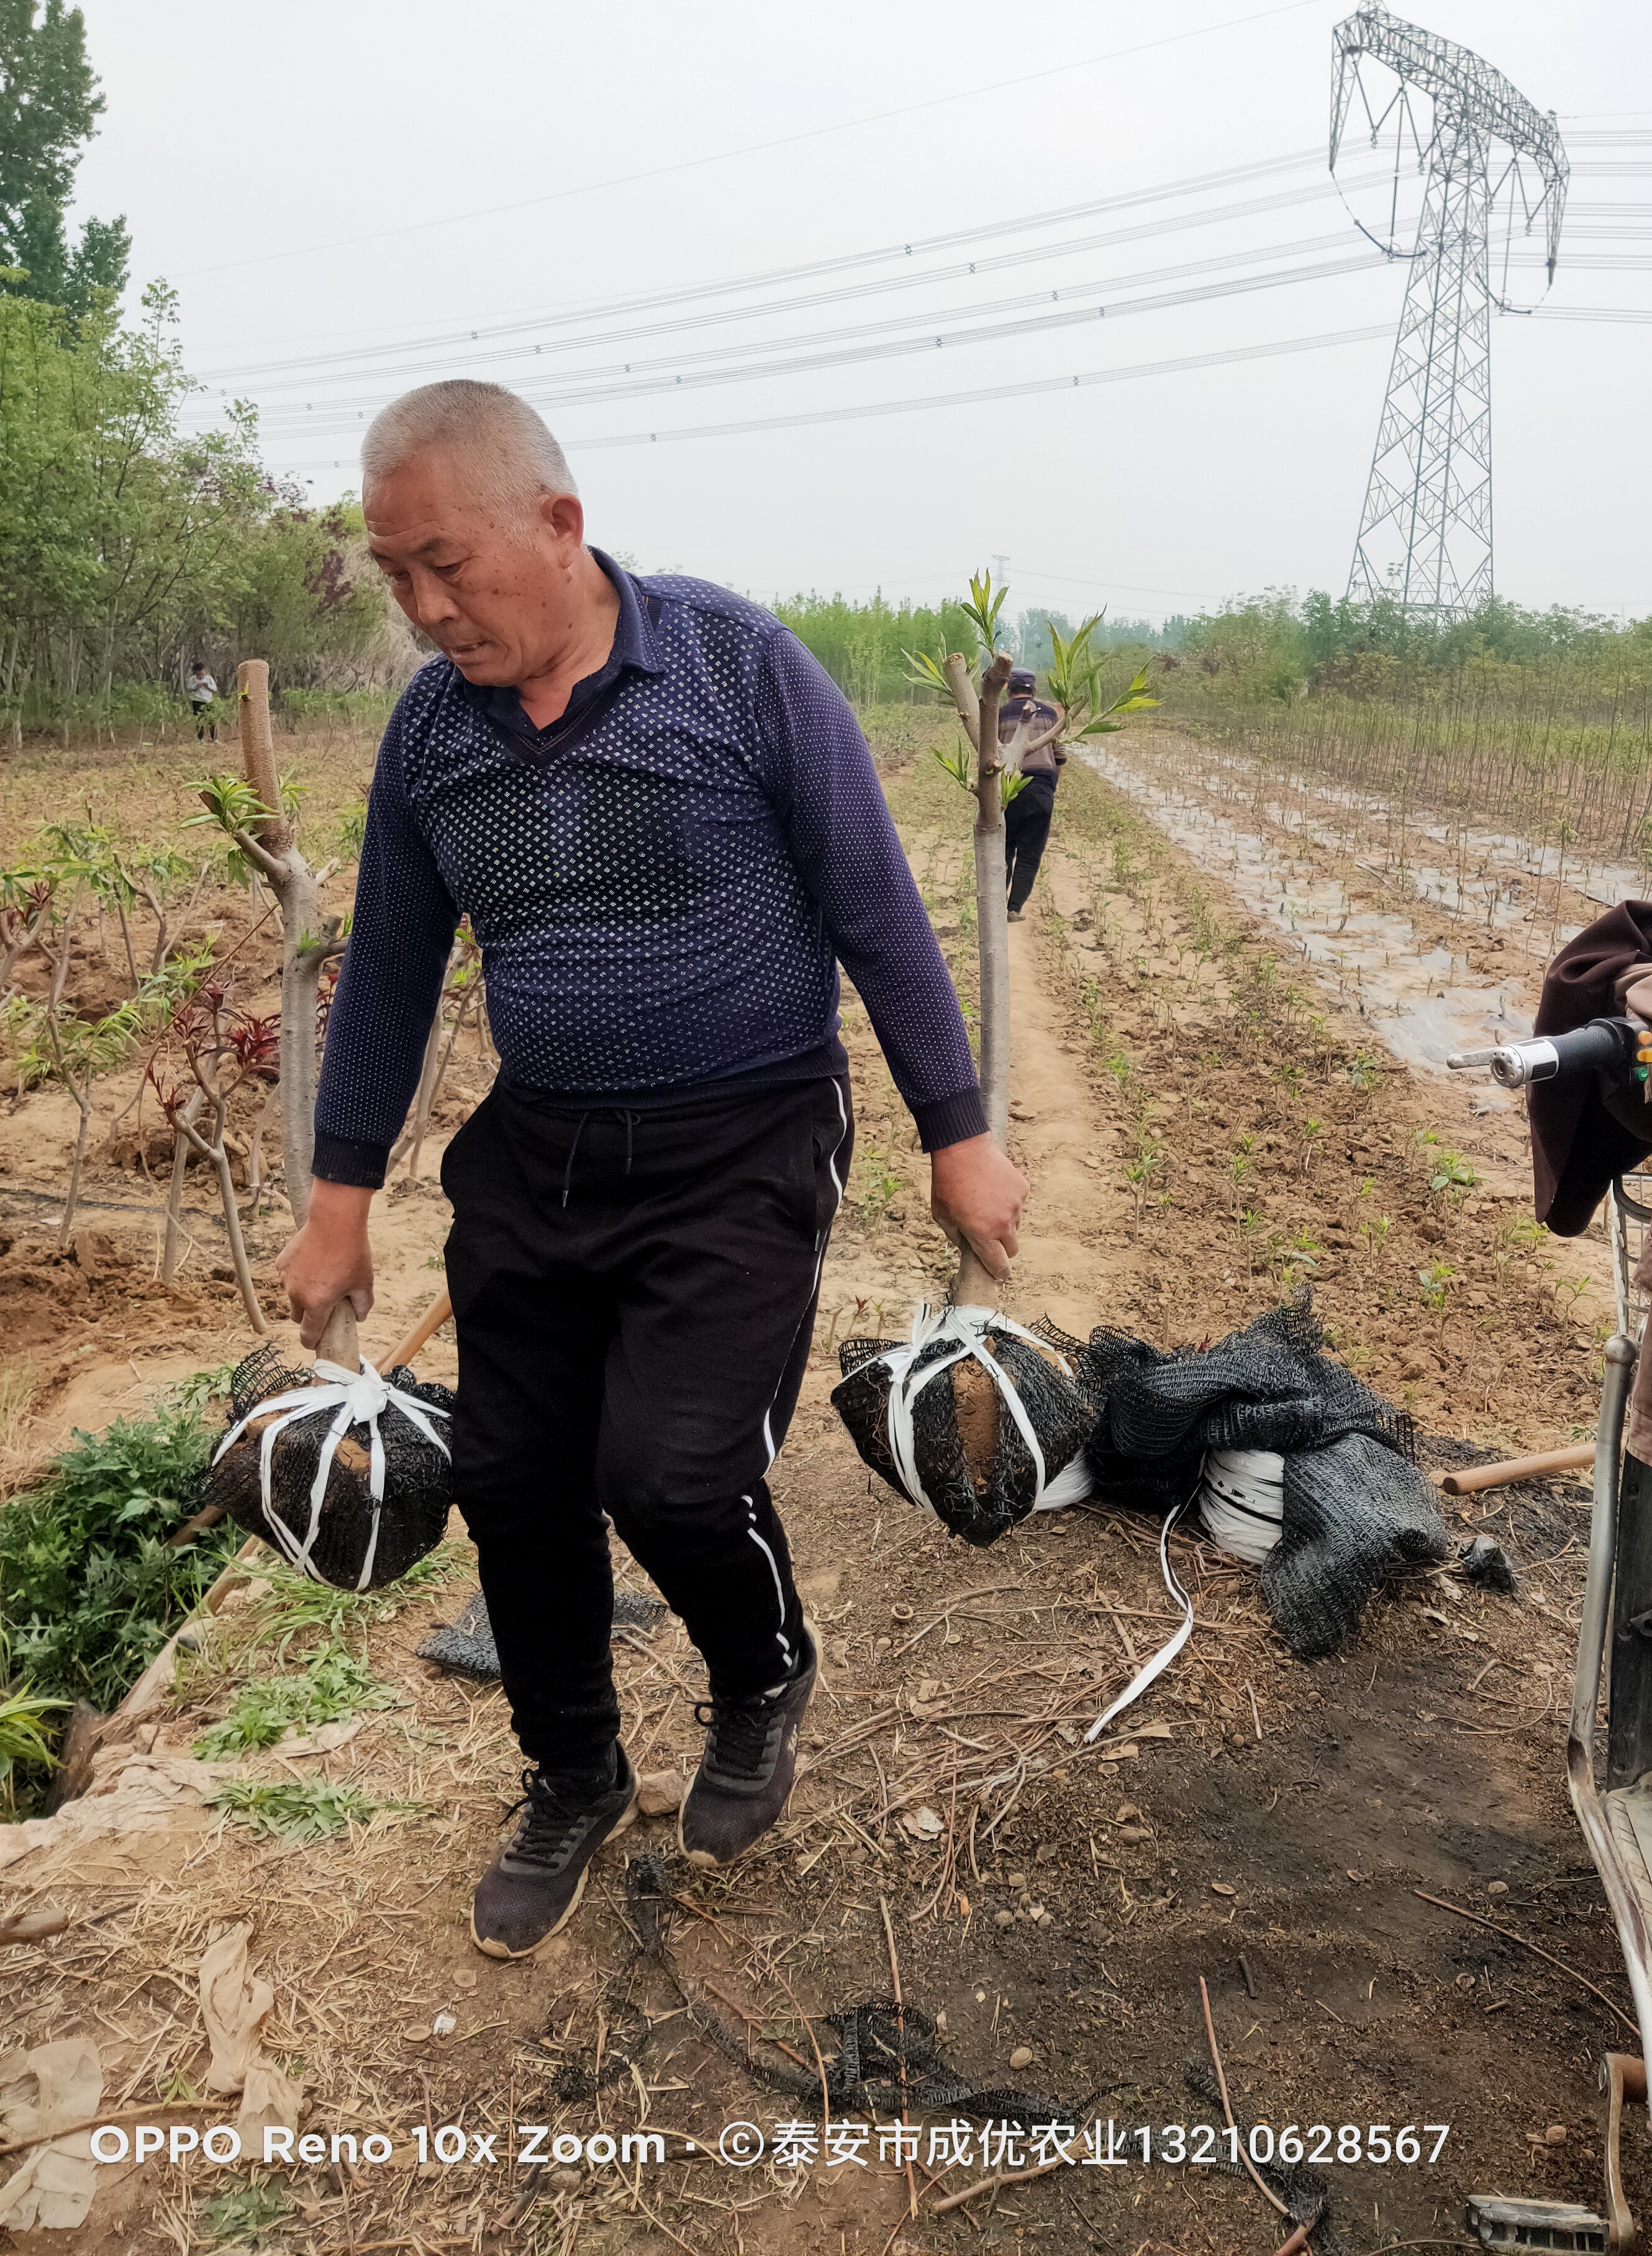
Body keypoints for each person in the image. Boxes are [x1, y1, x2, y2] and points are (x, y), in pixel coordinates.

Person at [278, 380, 1025, 1962]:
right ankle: (572, 1770)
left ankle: (758, 1674)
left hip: (741, 1134)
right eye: (393, 574)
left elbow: (877, 908)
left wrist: (957, 1136)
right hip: (538, 1152)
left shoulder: (732, 667)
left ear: (556, 524)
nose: (421, 609)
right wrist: (337, 1200)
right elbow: (396, 972)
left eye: (445, 564)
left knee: (671, 1471)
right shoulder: (432, 735)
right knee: (510, 1475)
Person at [999, 666, 1066, 920]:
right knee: (1030, 853)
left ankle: (996, 905)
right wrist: (1050, 790)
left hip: (1008, 788)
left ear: (1008, 690)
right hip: (1041, 790)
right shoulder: (1050, 714)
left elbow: (988, 757)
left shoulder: (998, 714)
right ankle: (1014, 909)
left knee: (1004, 849)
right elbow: (1060, 757)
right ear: (1034, 691)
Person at [185, 661, 219, 736]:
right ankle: (201, 739)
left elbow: (215, 689)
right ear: (195, 673)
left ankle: (215, 739)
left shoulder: (209, 679)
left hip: (208, 701)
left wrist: (208, 686)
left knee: (211, 720)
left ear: (205, 671)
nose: (200, 677)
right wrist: (196, 687)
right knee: (199, 721)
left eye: (202, 674)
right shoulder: (193, 679)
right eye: (198, 675)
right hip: (197, 701)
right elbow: (189, 688)